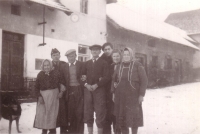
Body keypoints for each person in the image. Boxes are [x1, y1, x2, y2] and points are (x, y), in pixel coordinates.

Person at [113, 47, 148, 134]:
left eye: (128, 54)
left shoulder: (138, 65)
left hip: (133, 97)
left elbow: (144, 81)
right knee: (123, 119)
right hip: (121, 97)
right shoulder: (119, 66)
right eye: (124, 55)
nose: (126, 56)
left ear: (131, 55)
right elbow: (115, 79)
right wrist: (114, 91)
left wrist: (141, 95)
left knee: (133, 119)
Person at [82, 44, 110, 134]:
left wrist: (97, 85)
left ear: (99, 52)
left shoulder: (104, 63)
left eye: (97, 50)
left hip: (99, 92)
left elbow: (107, 77)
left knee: (100, 113)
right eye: (93, 50)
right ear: (91, 51)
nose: (94, 52)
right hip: (88, 91)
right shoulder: (86, 63)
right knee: (88, 113)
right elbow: (81, 77)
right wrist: (86, 85)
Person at [34, 59, 66, 134]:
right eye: (45, 65)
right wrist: (39, 96)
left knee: (52, 117)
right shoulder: (40, 74)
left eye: (48, 65)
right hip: (43, 98)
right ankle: (44, 132)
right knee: (43, 117)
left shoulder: (56, 73)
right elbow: (36, 87)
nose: (46, 67)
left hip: (54, 98)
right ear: (42, 66)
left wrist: (61, 92)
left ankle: (52, 132)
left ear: (51, 65)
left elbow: (62, 83)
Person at [65, 49, 84, 134]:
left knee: (79, 113)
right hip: (69, 91)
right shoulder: (65, 66)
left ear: (75, 56)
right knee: (71, 113)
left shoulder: (81, 64)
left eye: (72, 56)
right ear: (67, 58)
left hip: (79, 90)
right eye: (69, 56)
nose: (71, 58)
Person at [51, 48, 69, 134]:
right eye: (54, 55)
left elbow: (66, 77)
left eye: (57, 55)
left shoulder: (64, 64)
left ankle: (63, 131)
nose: (56, 57)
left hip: (62, 93)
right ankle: (52, 131)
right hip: (52, 93)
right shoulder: (48, 65)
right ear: (51, 56)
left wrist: (63, 89)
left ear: (59, 55)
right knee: (53, 113)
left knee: (62, 113)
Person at [99, 43, 115, 134]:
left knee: (115, 112)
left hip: (114, 89)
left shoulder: (116, 58)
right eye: (105, 49)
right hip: (104, 90)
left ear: (112, 49)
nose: (107, 51)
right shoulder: (101, 60)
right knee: (106, 113)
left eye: (109, 49)